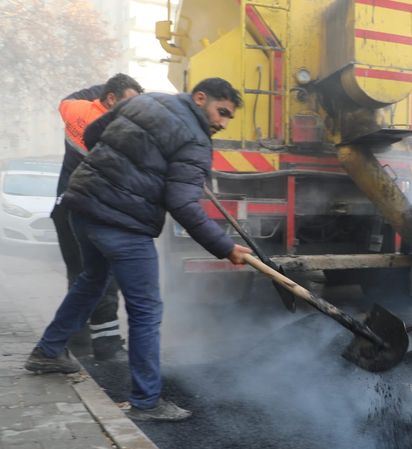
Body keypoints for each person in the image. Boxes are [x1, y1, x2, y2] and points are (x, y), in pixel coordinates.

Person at [25, 78, 253, 422]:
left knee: (92, 281)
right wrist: (225, 247)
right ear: (200, 98)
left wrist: (128, 163)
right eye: (222, 112)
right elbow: (183, 204)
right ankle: (146, 402)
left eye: (228, 118)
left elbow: (93, 134)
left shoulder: (145, 101)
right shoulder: (195, 139)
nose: (222, 123)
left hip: (83, 207)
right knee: (146, 309)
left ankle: (48, 351)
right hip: (123, 223)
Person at [54, 73, 144, 360]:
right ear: (111, 100)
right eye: (128, 103)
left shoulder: (74, 109)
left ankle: (77, 341)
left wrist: (107, 88)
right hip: (89, 208)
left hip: (63, 206)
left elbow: (69, 98)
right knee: (102, 275)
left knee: (79, 273)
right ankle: (107, 345)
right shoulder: (112, 131)